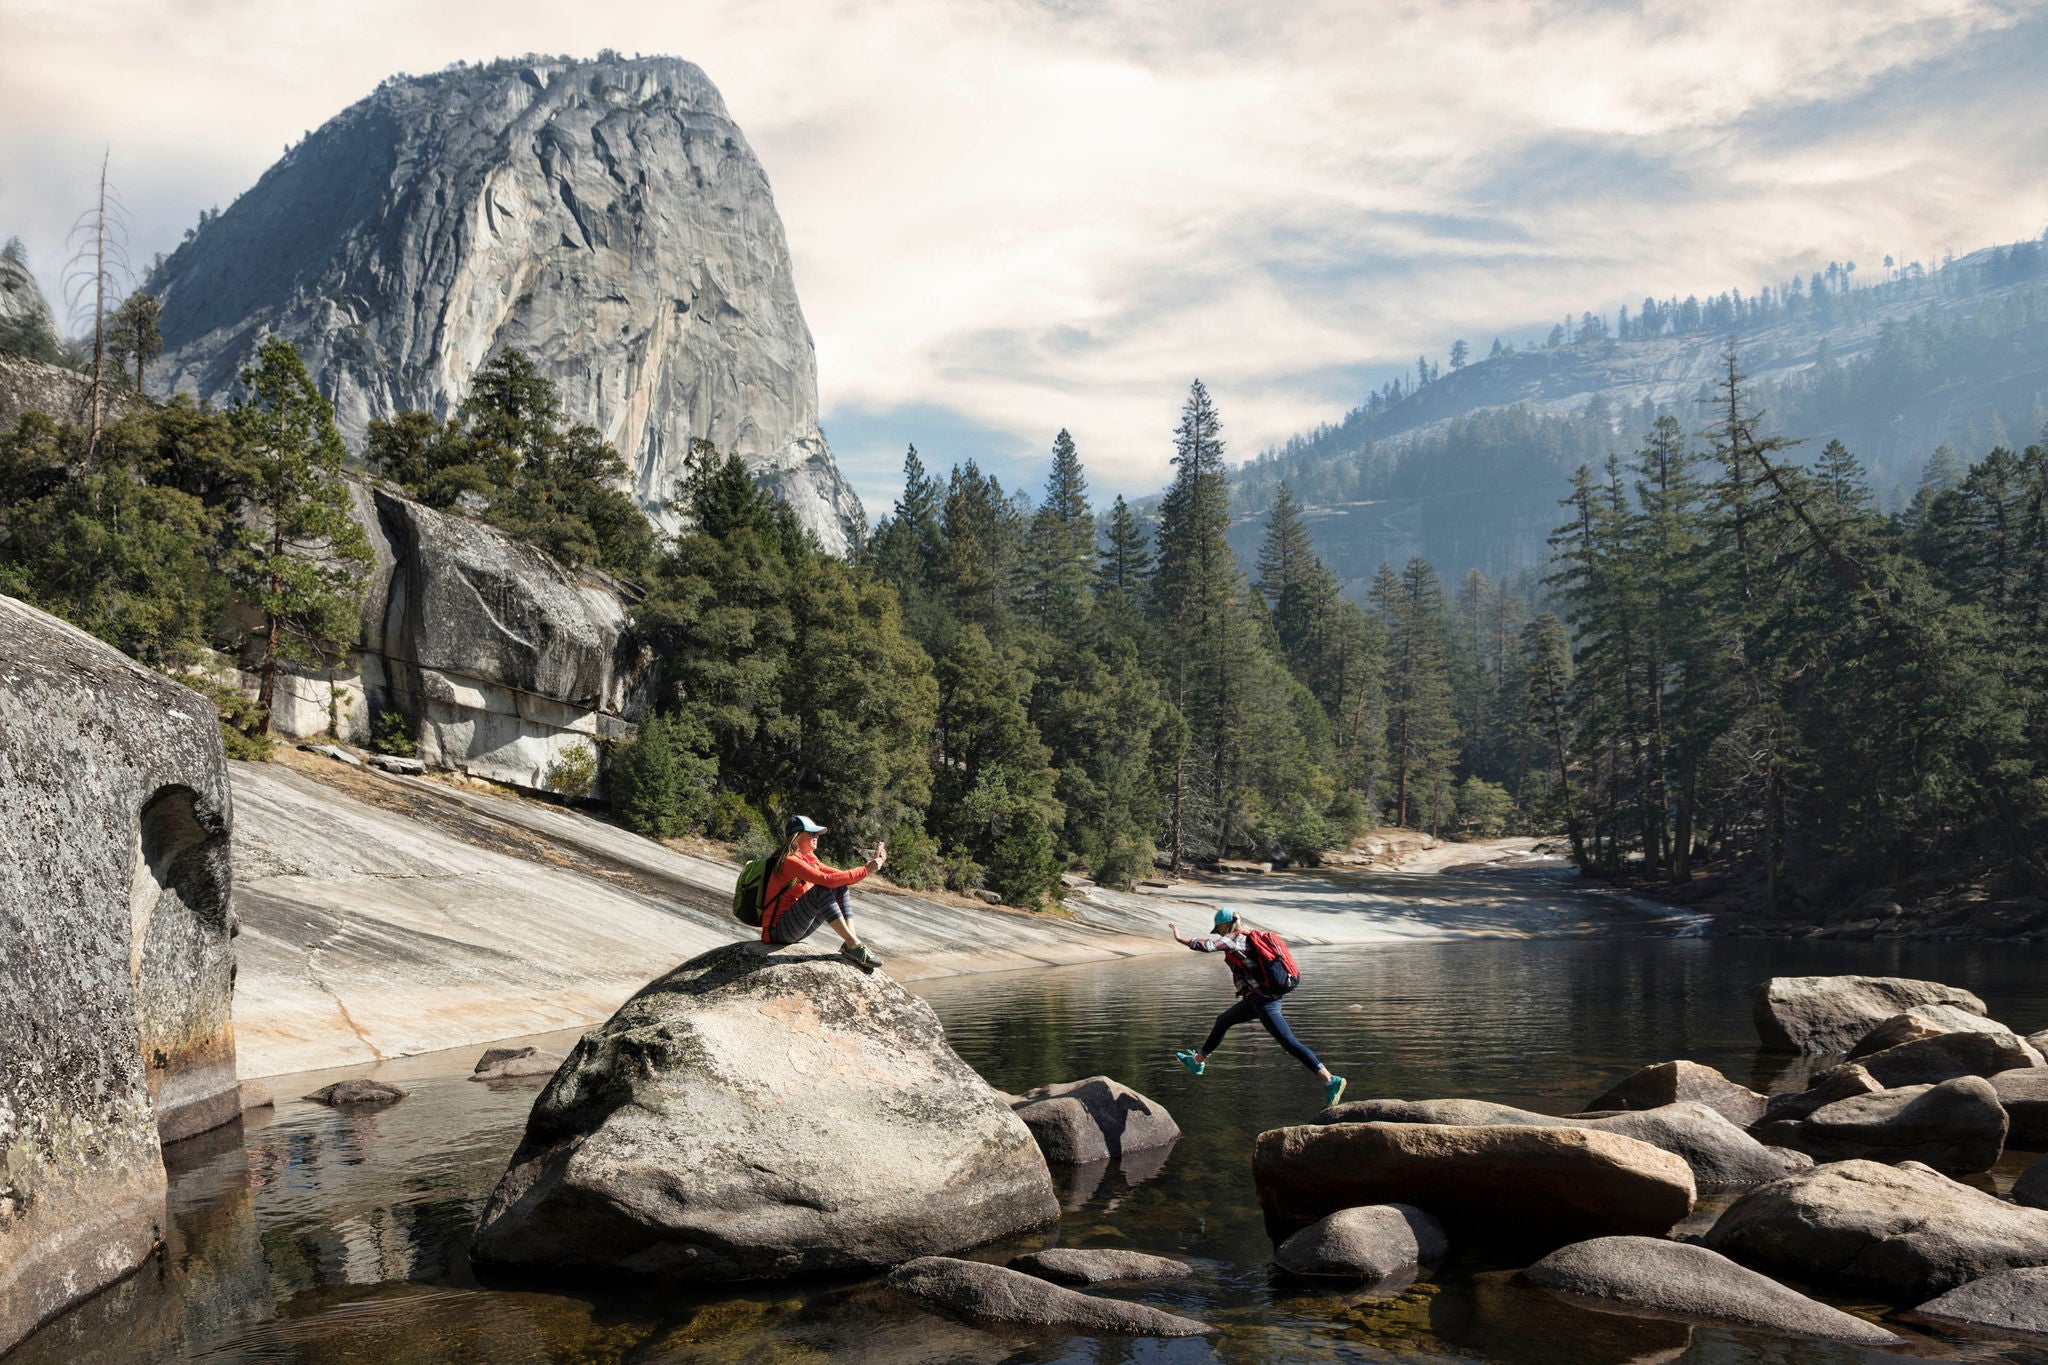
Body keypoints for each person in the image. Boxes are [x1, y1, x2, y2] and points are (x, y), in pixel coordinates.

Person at [1171, 907, 1345, 1107]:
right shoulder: (1247, 937)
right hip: (1257, 999)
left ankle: (1330, 1080)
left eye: (1219, 929)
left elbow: (1209, 946)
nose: (1218, 933)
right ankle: (1197, 1061)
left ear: (1226, 925)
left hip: (1264, 1001)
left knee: (1288, 1042)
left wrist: (1180, 938)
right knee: (1223, 1020)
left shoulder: (1233, 937)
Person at [760, 815, 888, 972]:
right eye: (812, 833)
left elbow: (839, 878)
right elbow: (825, 880)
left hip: (795, 928)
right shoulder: (789, 861)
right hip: (777, 932)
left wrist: (869, 868)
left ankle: (851, 944)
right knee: (821, 890)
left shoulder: (809, 858)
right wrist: (867, 870)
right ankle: (853, 944)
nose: (816, 837)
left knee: (840, 887)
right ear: (797, 836)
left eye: (817, 834)